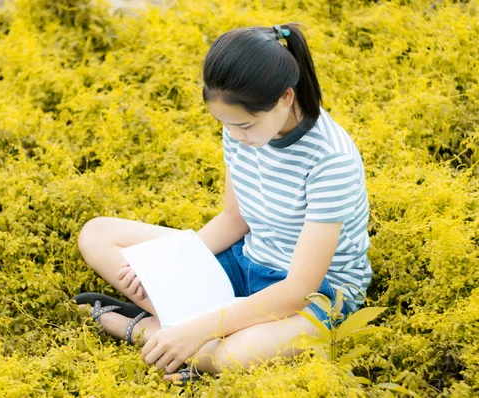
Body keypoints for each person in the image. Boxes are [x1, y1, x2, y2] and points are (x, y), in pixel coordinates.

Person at [74, 23, 372, 383]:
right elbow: (234, 220)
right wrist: (167, 264)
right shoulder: (239, 128)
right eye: (225, 124)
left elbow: (297, 290)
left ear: (286, 99)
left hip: (316, 296)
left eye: (244, 125)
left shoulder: (330, 160)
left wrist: (199, 328)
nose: (235, 136)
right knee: (98, 234)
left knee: (237, 354)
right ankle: (184, 337)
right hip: (247, 260)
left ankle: (148, 331)